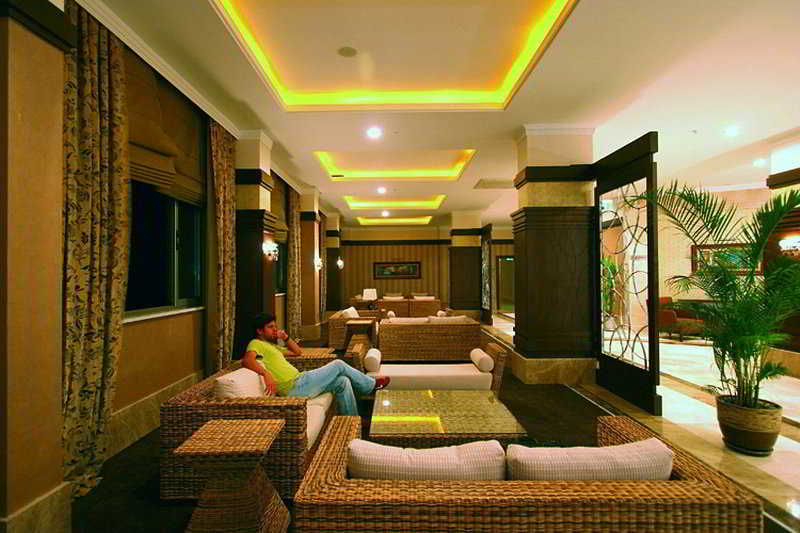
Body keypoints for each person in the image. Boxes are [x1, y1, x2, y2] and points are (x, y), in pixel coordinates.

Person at [241, 312, 389, 416]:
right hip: (294, 387)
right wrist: (265, 373)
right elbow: (247, 360)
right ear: (259, 331)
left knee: (342, 381)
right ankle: (370, 386)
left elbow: (297, 352)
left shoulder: (272, 346)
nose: (275, 330)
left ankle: (351, 421)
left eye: (275, 326)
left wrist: (285, 338)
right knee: (338, 364)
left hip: (301, 380)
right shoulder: (255, 343)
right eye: (270, 327)